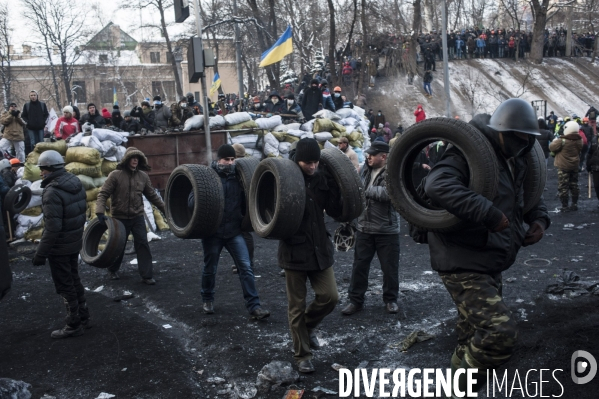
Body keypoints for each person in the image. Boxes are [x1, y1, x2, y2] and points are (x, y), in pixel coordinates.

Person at [420, 98, 550, 398]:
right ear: (501, 130)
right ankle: (458, 389)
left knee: (471, 336)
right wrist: (488, 213)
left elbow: (525, 195)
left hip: (490, 258)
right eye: (517, 138)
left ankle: (460, 380)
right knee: (499, 333)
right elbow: (437, 185)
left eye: (527, 140)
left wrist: (540, 221)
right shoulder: (469, 152)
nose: (522, 145)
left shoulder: (516, 157)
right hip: (462, 258)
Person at [281, 138, 343, 373]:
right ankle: (302, 355)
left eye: (316, 162)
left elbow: (336, 211)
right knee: (296, 306)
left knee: (331, 296)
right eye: (308, 162)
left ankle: (307, 328)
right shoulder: (283, 179)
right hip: (294, 251)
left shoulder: (321, 179)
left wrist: (337, 187)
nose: (312, 166)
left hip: (320, 249)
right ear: (297, 160)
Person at [189, 145, 270, 318]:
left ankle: (254, 306)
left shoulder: (239, 178)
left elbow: (250, 200)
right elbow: (191, 202)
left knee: (246, 268)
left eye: (233, 160)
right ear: (219, 160)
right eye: (227, 159)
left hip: (234, 231)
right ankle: (208, 299)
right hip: (213, 233)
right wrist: (202, 199)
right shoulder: (207, 178)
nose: (230, 163)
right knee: (210, 268)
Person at [32, 150, 89, 339]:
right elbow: (82, 212)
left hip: (59, 247)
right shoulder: (75, 182)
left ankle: (73, 324)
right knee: (74, 279)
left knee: (65, 285)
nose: (41, 173)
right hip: (73, 243)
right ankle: (84, 316)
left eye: (43, 169)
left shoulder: (52, 192)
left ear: (50, 169)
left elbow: (52, 228)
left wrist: (41, 254)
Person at [341, 141, 400, 316]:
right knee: (359, 267)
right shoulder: (364, 170)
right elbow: (356, 197)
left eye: (372, 154)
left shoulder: (393, 172)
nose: (368, 156)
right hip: (364, 229)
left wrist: (362, 190)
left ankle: (390, 300)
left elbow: (389, 193)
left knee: (389, 269)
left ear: (384, 156)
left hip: (386, 231)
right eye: (368, 154)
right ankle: (355, 301)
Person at [96, 147, 166, 283]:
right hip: (119, 218)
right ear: (127, 159)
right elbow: (103, 193)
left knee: (142, 244)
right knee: (119, 246)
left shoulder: (143, 176)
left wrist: (166, 211)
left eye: (137, 158)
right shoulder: (115, 175)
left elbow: (152, 196)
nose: (135, 160)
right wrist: (99, 212)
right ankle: (113, 269)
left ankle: (147, 275)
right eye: (133, 158)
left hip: (137, 216)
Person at [549, 121, 583, 211]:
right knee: (574, 185)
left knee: (563, 187)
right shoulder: (580, 140)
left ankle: (565, 206)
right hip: (575, 165)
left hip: (563, 166)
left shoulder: (562, 141)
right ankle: (574, 204)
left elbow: (551, 147)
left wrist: (556, 140)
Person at [586, 132, 599, 207]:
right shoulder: (594, 140)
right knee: (597, 186)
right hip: (596, 167)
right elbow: (590, 153)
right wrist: (588, 164)